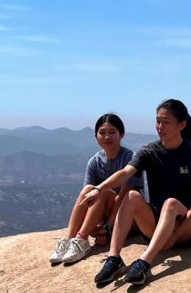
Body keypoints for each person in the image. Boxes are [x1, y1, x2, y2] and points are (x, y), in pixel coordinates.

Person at [81, 99, 191, 288]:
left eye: (166, 122)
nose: (160, 127)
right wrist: (98, 189)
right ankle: (114, 258)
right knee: (132, 196)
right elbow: (125, 173)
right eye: (158, 121)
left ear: (182, 125)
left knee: (170, 203)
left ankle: (144, 261)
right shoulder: (150, 151)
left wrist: (175, 234)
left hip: (185, 226)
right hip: (156, 223)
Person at [50, 113, 143, 266]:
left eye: (112, 132)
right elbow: (87, 198)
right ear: (96, 136)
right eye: (102, 133)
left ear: (121, 135)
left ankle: (81, 239)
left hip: (128, 218)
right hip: (105, 216)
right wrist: (95, 227)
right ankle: (69, 238)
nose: (107, 137)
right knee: (88, 189)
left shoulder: (130, 158)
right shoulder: (95, 161)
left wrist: (108, 228)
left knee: (104, 191)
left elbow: (126, 193)